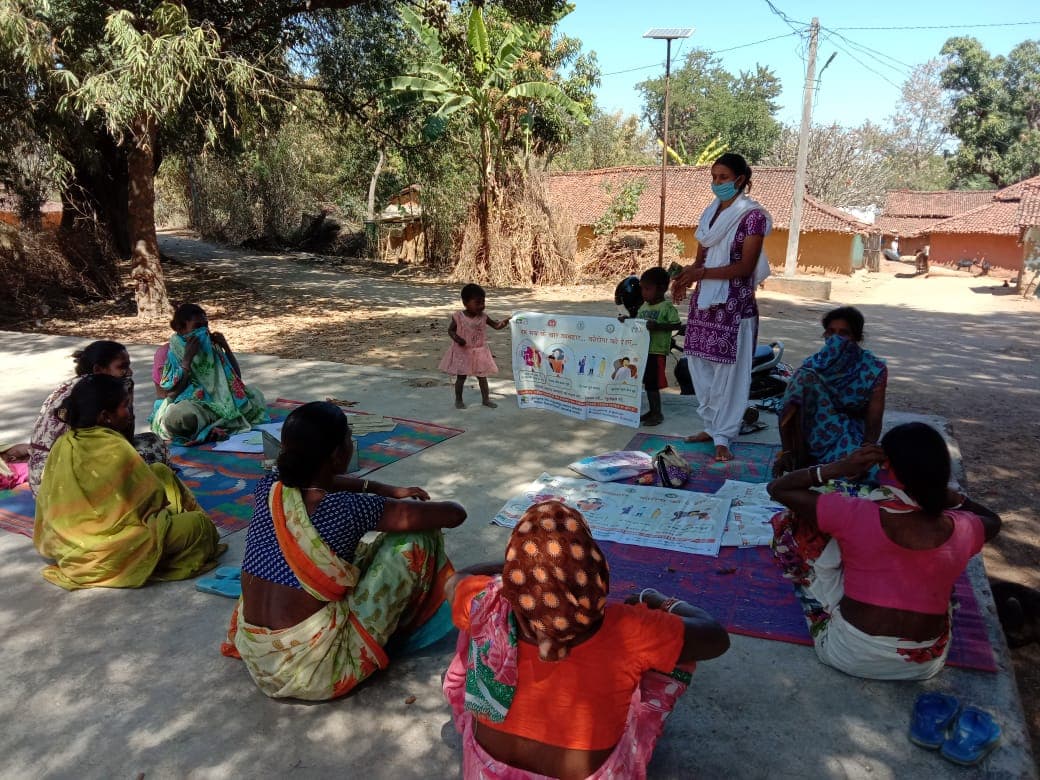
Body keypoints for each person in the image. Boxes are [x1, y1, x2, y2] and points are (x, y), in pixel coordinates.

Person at [444, 501, 730, 779]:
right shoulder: (629, 628)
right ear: (593, 568)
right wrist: (658, 602)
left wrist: (524, 566)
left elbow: (457, 579)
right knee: (673, 655)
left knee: (478, 622)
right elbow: (714, 636)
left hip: (485, 773)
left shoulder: (489, 601)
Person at [222, 401, 467, 700]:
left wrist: (379, 488)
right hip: (319, 671)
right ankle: (405, 630)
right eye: (350, 438)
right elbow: (455, 515)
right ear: (338, 455)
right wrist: (391, 499)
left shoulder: (268, 488)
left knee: (350, 554)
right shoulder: (348, 509)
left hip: (259, 659)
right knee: (416, 539)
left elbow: (321, 481)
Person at [768, 422, 1000, 680]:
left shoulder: (853, 513)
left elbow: (778, 489)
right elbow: (993, 521)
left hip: (848, 654)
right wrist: (952, 497)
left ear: (886, 465)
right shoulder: (964, 528)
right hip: (924, 665)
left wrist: (840, 467)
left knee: (794, 522)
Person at [33, 374, 224, 590]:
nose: (130, 412)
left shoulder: (63, 443)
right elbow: (148, 504)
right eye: (125, 406)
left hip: (67, 544)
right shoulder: (113, 447)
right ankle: (144, 560)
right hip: (108, 550)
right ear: (105, 416)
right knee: (199, 526)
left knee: (161, 472)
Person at [671, 153, 772, 462]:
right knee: (699, 364)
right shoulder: (710, 214)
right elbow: (700, 259)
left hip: (734, 306)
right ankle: (712, 427)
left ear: (740, 180)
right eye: (714, 177)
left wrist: (700, 274)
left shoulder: (753, 216)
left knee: (731, 372)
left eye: (723, 178)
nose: (717, 183)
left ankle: (725, 436)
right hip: (705, 303)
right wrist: (684, 278)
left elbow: (744, 267)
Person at [28, 340, 169, 495]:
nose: (129, 372)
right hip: (59, 480)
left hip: (45, 477)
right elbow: (119, 442)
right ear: (98, 369)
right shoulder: (97, 394)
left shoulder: (74, 385)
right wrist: (127, 398)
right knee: (151, 448)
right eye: (122, 367)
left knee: (148, 442)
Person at [773, 306, 887, 477]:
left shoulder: (873, 369)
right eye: (831, 332)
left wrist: (865, 453)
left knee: (865, 475)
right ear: (825, 335)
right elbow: (788, 409)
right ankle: (798, 456)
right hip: (810, 435)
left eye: (843, 333)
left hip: (849, 434)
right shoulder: (811, 367)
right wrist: (788, 450)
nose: (836, 339)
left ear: (857, 337)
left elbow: (874, 419)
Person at [150, 303, 268, 444]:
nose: (204, 331)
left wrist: (226, 349)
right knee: (179, 416)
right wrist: (187, 359)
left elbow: (236, 379)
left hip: (220, 404)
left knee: (256, 395)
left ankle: (211, 427)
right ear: (180, 329)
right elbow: (170, 394)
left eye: (206, 325)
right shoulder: (168, 353)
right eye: (197, 327)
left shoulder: (210, 348)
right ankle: (211, 427)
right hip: (194, 406)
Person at [621, 267, 681, 426]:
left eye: (647, 289)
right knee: (647, 382)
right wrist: (626, 320)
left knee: (653, 383)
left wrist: (659, 326)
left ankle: (657, 413)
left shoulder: (666, 307)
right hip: (642, 350)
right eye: (642, 289)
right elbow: (638, 323)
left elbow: (677, 325)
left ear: (661, 288)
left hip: (656, 351)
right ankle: (652, 411)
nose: (643, 293)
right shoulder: (644, 307)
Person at [439, 283, 510, 409]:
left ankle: (486, 399)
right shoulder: (458, 317)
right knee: (461, 378)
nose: (481, 306)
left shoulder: (484, 317)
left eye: (483, 302)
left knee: (482, 377)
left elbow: (496, 325)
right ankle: (459, 400)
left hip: (480, 352)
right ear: (465, 302)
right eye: (477, 302)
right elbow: (450, 330)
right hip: (463, 352)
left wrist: (506, 322)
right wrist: (457, 338)